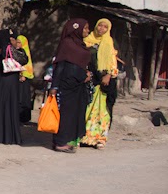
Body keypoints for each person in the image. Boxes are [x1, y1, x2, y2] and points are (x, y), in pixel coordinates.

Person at [50, 19, 92, 153]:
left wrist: (85, 74)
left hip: (78, 85)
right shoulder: (67, 44)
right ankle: (60, 142)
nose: (87, 31)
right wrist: (54, 86)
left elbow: (80, 65)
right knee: (66, 114)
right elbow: (60, 65)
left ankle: (69, 140)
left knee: (75, 113)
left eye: (87, 28)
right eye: (85, 28)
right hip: (67, 85)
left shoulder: (81, 44)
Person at [80, 18, 119, 149]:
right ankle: (86, 137)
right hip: (91, 80)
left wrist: (109, 75)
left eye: (105, 27)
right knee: (88, 109)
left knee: (103, 111)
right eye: (100, 26)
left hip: (104, 82)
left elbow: (113, 62)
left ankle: (101, 138)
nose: (101, 29)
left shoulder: (110, 43)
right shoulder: (87, 41)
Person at [16, 35, 34, 124]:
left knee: (23, 98)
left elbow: (27, 66)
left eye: (19, 42)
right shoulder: (16, 52)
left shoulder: (25, 52)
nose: (17, 44)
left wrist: (24, 75)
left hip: (24, 78)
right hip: (17, 78)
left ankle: (24, 118)